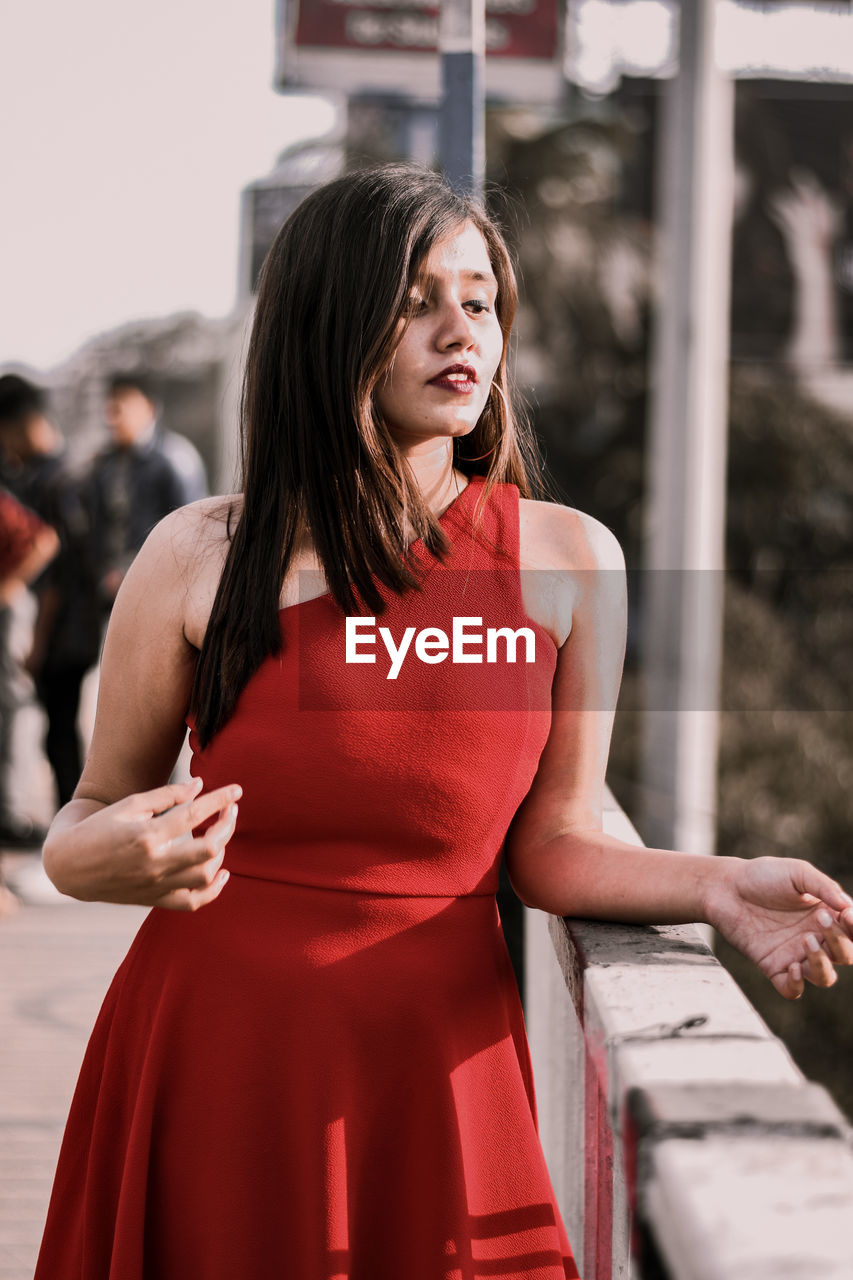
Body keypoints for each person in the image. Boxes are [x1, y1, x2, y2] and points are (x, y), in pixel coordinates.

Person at [34, 164, 853, 1279]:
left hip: (434, 1069)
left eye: (478, 301)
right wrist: (113, 855)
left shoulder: (570, 559)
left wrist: (711, 882)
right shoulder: (198, 554)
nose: (458, 329)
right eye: (416, 299)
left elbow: (553, 843)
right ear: (332, 322)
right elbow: (82, 825)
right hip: (210, 1055)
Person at [0, 375, 102, 808]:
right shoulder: (44, 474)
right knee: (55, 734)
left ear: (22, 425)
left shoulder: (63, 480)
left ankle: (73, 828)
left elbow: (58, 574)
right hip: (62, 626)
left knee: (61, 736)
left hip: (64, 629)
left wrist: (38, 642)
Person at [87, 371, 208, 609]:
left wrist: (135, 573)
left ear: (149, 408)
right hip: (113, 592)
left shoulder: (175, 459)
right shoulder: (107, 463)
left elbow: (193, 533)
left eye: (122, 408)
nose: (114, 418)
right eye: (110, 410)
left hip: (162, 593)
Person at [0, 486, 58, 869]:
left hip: (7, 614)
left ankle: (11, 811)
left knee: (11, 707)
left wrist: (6, 588)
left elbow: (43, 540)